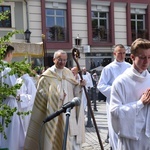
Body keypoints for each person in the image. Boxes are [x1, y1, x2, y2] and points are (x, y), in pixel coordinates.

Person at [24, 50, 85, 150]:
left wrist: (80, 87)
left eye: (65, 60)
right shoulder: (46, 76)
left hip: (68, 114)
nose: (62, 62)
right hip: (53, 113)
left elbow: (75, 90)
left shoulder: (68, 73)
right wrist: (57, 96)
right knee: (52, 140)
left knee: (67, 140)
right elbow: (42, 97)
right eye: (60, 60)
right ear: (54, 60)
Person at [110, 38, 150, 150]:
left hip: (148, 137)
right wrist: (140, 103)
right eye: (142, 57)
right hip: (130, 139)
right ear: (132, 57)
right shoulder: (120, 82)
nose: (146, 62)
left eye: (149, 57)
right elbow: (115, 113)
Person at [97, 44, 131, 150]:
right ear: (114, 53)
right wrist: (116, 90)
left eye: (123, 53)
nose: (121, 55)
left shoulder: (130, 67)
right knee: (114, 128)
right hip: (114, 101)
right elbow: (101, 85)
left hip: (128, 101)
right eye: (119, 53)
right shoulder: (108, 68)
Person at [0, 45, 25, 150]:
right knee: (10, 136)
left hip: (2, 103)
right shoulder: (7, 70)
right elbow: (13, 91)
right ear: (9, 54)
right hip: (9, 104)